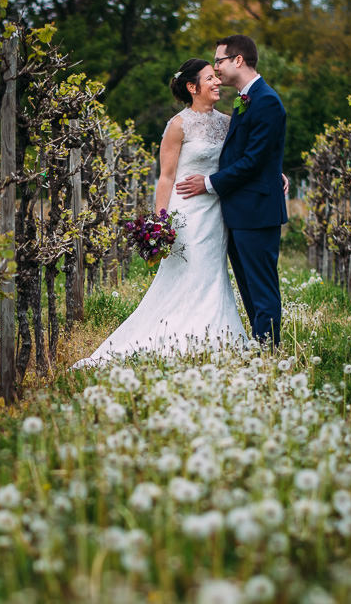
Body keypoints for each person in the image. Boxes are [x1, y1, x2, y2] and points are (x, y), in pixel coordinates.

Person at [74, 58, 246, 367]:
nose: (217, 82)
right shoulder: (178, 125)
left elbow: (242, 162)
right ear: (193, 87)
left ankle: (216, 337)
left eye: (216, 77)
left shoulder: (227, 122)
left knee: (213, 273)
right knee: (188, 272)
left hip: (216, 211)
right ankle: (179, 338)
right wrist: (159, 221)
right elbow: (166, 176)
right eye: (209, 78)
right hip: (186, 213)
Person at [176, 34, 287, 345]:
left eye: (219, 61)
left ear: (238, 60)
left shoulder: (265, 101)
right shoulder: (246, 98)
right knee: (249, 288)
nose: (216, 68)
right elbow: (251, 152)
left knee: (262, 288)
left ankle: (269, 351)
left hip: (257, 212)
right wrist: (275, 171)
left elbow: (253, 160)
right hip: (240, 212)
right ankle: (261, 346)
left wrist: (208, 183)